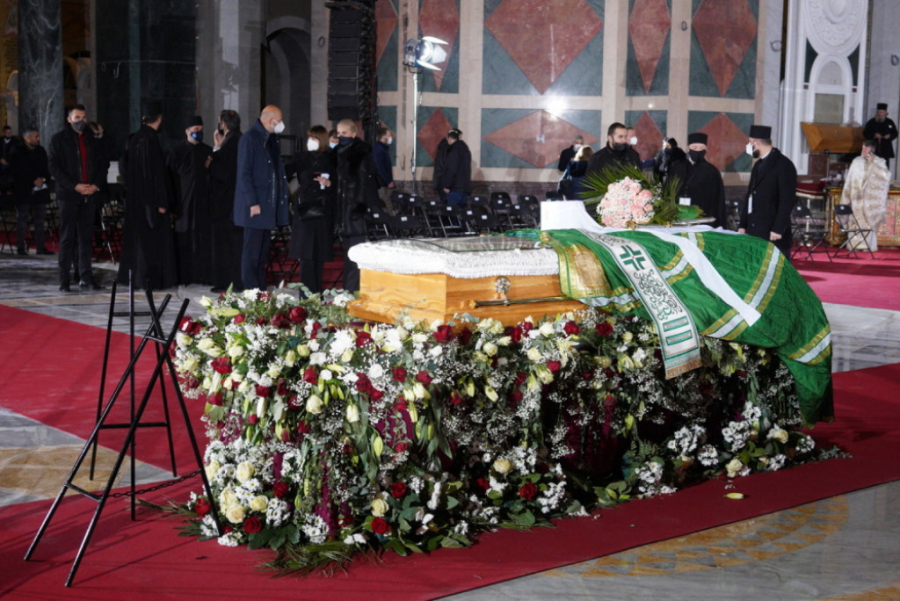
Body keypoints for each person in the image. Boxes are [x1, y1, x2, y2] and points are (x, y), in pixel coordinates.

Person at [117, 101, 178, 290]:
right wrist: (162, 202)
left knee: (137, 242)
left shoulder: (134, 138)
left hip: (136, 200)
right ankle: (149, 279)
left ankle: (136, 278)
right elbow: (154, 175)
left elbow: (124, 168)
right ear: (159, 119)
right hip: (150, 203)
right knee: (151, 243)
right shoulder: (150, 140)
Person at [48, 104, 107, 292]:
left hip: (89, 194)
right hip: (69, 195)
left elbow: (102, 164)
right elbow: (54, 168)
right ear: (69, 119)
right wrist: (74, 185)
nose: (81, 121)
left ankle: (86, 277)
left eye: (83, 117)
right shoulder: (59, 140)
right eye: (77, 117)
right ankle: (64, 279)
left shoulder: (92, 140)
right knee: (67, 237)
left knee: (85, 238)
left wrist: (95, 185)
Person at [234, 105, 289, 291]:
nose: (281, 124)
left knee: (262, 253)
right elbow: (244, 174)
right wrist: (253, 202)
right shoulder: (250, 139)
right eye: (279, 120)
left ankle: (259, 289)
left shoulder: (270, 139)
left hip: (267, 206)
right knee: (252, 252)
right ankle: (251, 290)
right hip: (255, 207)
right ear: (270, 120)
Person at [286, 125, 336, 295]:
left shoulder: (331, 158)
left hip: (323, 209)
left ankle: (316, 293)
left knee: (319, 253)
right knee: (306, 254)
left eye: (314, 138)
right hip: (305, 210)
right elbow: (285, 172)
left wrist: (329, 183)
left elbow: (339, 182)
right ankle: (306, 294)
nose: (310, 141)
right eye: (309, 138)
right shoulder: (301, 157)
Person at [334, 118, 379, 292]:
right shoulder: (337, 152)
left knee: (354, 254)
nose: (340, 136)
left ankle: (352, 291)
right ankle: (347, 290)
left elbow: (363, 183)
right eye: (338, 133)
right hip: (342, 208)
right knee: (347, 253)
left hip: (354, 208)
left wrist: (358, 207)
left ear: (353, 133)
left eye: (344, 133)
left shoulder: (360, 154)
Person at [738, 124, 797, 257]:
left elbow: (787, 200)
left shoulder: (783, 165)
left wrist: (778, 228)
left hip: (772, 231)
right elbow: (750, 195)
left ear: (757, 143)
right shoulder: (758, 165)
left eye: (750, 143)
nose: (748, 147)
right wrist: (743, 224)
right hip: (755, 229)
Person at [168, 115, 213, 285]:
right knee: (184, 239)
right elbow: (170, 179)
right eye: (195, 130)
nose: (199, 133)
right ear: (187, 131)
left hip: (202, 203)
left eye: (201, 130)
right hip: (183, 203)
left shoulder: (207, 151)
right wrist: (171, 205)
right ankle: (184, 276)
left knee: (202, 239)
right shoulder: (176, 151)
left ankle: (202, 275)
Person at [209, 109, 244, 293]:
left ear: (223, 123)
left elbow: (220, 172)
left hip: (226, 204)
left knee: (226, 244)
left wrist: (215, 152)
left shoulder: (231, 142)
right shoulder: (239, 139)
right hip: (237, 201)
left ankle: (228, 282)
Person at [841, 140, 891, 251]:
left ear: (872, 150)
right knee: (855, 221)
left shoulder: (879, 162)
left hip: (869, 200)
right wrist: (846, 196)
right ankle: (854, 244)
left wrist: (873, 165)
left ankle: (867, 245)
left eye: (866, 148)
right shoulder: (856, 161)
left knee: (867, 222)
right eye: (862, 148)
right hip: (856, 197)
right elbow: (849, 179)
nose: (863, 150)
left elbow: (885, 177)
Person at [11, 127, 52, 255]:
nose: (38, 139)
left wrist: (43, 179)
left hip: (39, 190)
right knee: (22, 219)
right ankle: (20, 247)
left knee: (40, 219)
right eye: (36, 137)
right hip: (23, 190)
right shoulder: (17, 151)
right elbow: (18, 170)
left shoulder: (40, 150)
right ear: (28, 138)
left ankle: (40, 247)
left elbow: (46, 167)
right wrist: (33, 180)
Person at [674, 132, 726, 228]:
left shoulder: (711, 171)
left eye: (701, 148)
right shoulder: (677, 168)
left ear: (706, 150)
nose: (698, 151)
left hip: (702, 219)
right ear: (688, 148)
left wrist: (719, 224)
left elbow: (718, 200)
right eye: (694, 148)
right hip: (678, 218)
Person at [440, 128, 471, 206]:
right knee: (462, 211)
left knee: (452, 211)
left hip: (454, 188)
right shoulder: (465, 149)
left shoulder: (454, 151)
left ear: (450, 138)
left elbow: (452, 170)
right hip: (464, 188)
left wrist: (447, 185)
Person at [863, 103, 897, 169]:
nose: (880, 114)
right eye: (878, 112)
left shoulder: (890, 122)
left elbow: (895, 133)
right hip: (873, 149)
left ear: (886, 113)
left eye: (881, 112)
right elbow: (865, 133)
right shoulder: (871, 122)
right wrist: (874, 135)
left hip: (885, 149)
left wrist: (889, 136)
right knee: (872, 167)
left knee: (884, 167)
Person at [372, 125, 395, 209]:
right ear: (383, 136)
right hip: (381, 183)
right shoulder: (379, 149)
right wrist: (388, 180)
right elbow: (379, 168)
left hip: (384, 182)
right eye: (389, 135)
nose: (390, 137)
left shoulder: (383, 149)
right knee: (386, 203)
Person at [0, 125, 22, 193]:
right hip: (1, 169)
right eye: (7, 132)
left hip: (11, 168)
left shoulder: (16, 142)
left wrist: (9, 162)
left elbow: (18, 154)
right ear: (4, 133)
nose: (9, 134)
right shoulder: (0, 141)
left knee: (12, 186)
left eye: (10, 132)